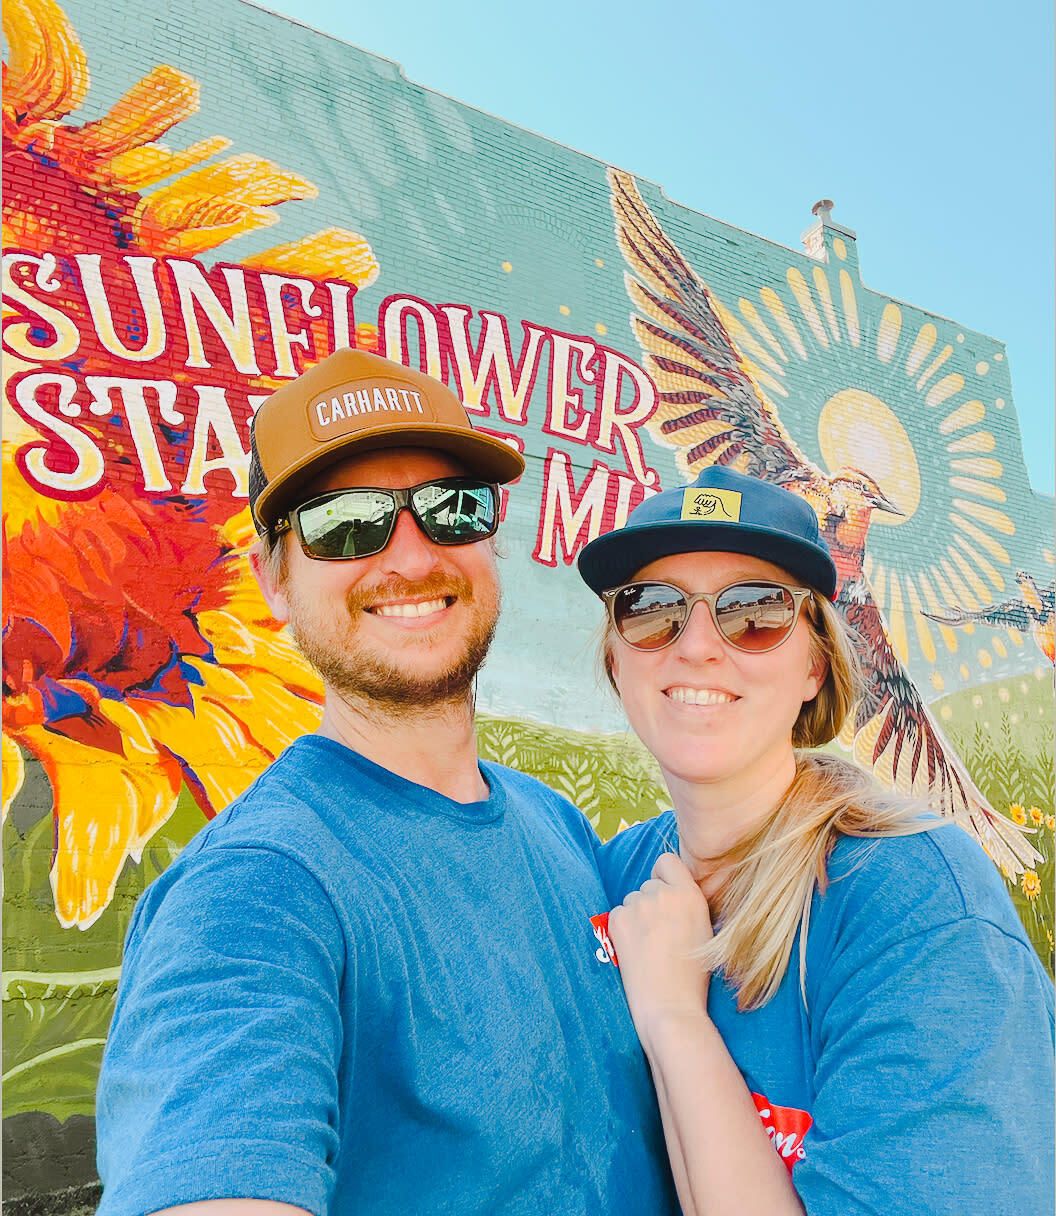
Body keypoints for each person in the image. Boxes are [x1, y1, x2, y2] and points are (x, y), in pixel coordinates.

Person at [95, 349, 678, 1216]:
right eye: (345, 523)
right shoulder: (255, 892)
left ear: (488, 539)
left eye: (451, 508)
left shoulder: (553, 824)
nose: (410, 556)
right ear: (273, 581)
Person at [577, 465, 1055, 1216]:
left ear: (815, 665)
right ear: (616, 657)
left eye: (754, 611)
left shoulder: (919, 908)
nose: (697, 645)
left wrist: (675, 1018)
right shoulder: (613, 878)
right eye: (651, 607)